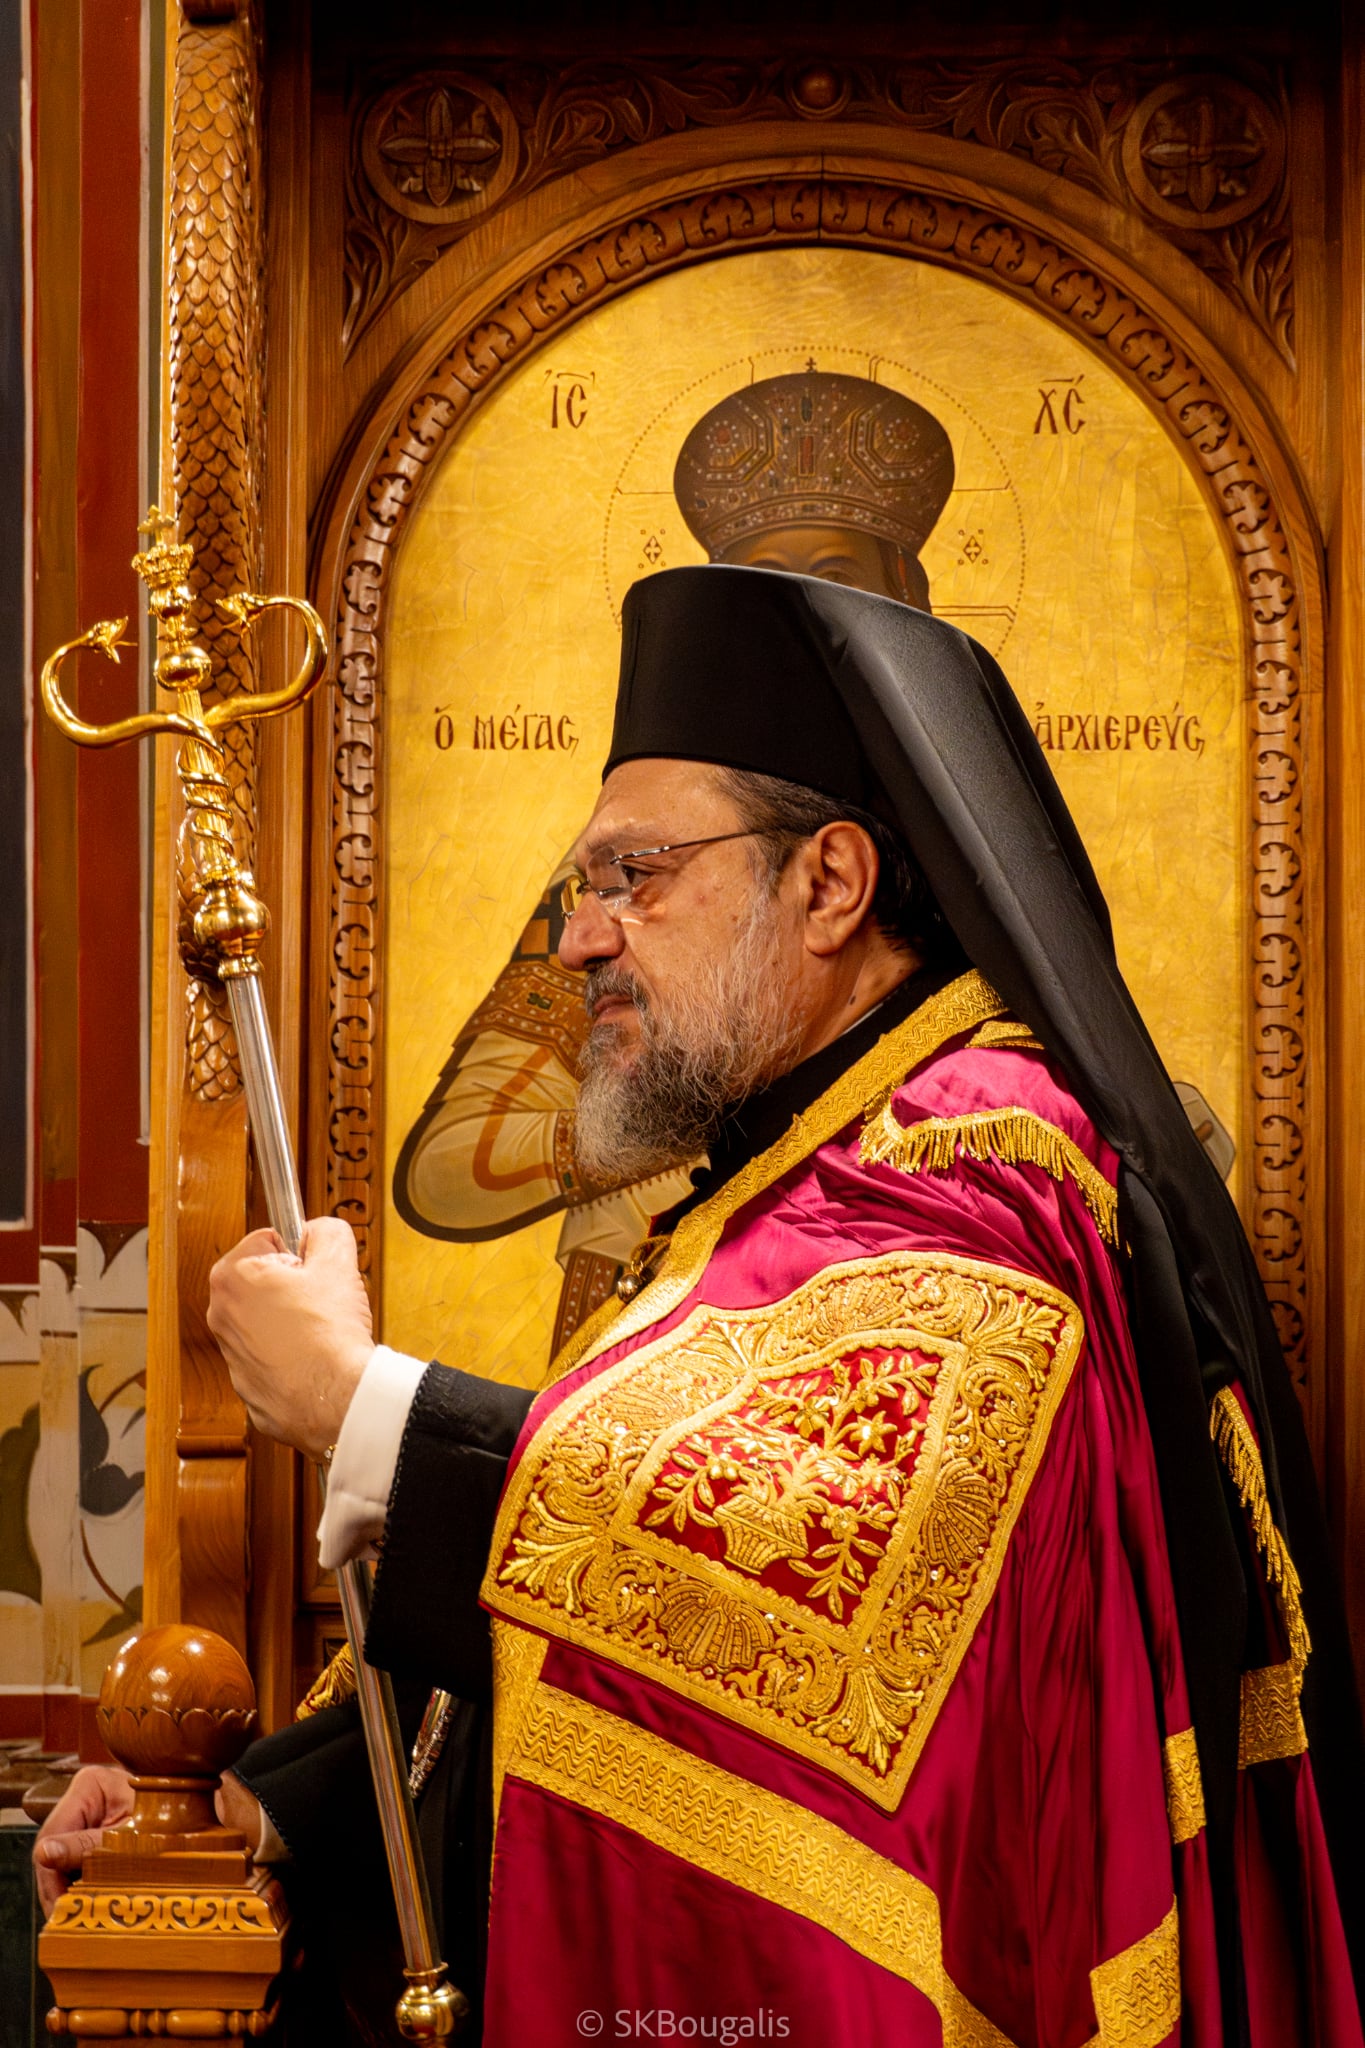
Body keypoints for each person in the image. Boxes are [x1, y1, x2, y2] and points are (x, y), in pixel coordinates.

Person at [39, 566, 1364, 2047]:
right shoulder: (781, 1170)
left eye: (633, 876)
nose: (578, 939)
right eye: (583, 888)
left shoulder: (983, 1161)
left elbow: (783, 1585)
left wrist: (362, 1408)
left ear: (829, 885)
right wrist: (249, 1807)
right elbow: (609, 1651)